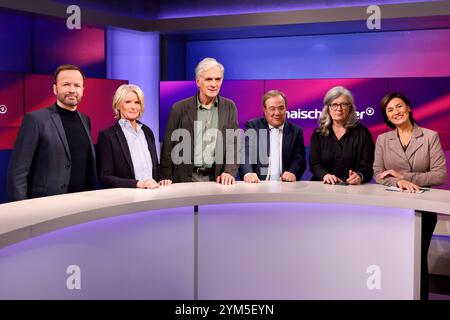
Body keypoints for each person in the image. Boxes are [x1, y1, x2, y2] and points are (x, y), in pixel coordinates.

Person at [373, 92, 447, 300]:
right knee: (394, 258)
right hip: (393, 209)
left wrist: (404, 176)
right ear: (386, 117)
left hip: (423, 208)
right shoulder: (382, 140)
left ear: (409, 108)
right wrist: (398, 182)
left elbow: (440, 174)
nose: (396, 112)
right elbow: (378, 173)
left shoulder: (429, 136)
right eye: (390, 110)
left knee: (416, 258)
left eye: (399, 106)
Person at [6, 64, 96, 201]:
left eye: (77, 85)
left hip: (83, 202)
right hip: (48, 204)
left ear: (83, 90)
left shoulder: (85, 119)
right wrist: (22, 210)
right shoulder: (35, 120)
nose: (72, 90)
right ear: (55, 89)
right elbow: (18, 173)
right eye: (66, 84)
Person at [160, 57, 239, 184]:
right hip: (184, 178)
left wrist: (229, 171)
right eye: (208, 79)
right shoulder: (179, 108)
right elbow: (168, 146)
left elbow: (233, 144)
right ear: (198, 81)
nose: (214, 84)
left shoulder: (229, 107)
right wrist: (165, 177)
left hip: (217, 178)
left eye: (218, 79)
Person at [97, 84, 171, 189]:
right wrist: (137, 183)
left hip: (153, 195)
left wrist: (162, 179)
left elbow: (155, 167)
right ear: (118, 105)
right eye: (128, 102)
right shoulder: (107, 136)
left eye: (137, 102)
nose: (133, 107)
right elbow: (105, 177)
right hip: (126, 199)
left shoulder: (147, 131)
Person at [309, 86, 375, 184]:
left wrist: (360, 176)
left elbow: (368, 167)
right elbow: (314, 164)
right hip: (322, 187)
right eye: (334, 104)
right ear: (328, 108)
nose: (339, 109)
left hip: (352, 189)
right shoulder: (319, 133)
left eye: (344, 104)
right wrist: (325, 175)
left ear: (350, 107)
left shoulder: (363, 133)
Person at [241, 90, 306, 182]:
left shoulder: (296, 131)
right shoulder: (253, 126)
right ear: (265, 110)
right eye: (272, 108)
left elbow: (299, 158)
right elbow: (245, 153)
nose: (277, 113)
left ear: (286, 108)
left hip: (285, 185)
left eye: (281, 108)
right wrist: (248, 173)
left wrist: (293, 172)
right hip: (258, 183)